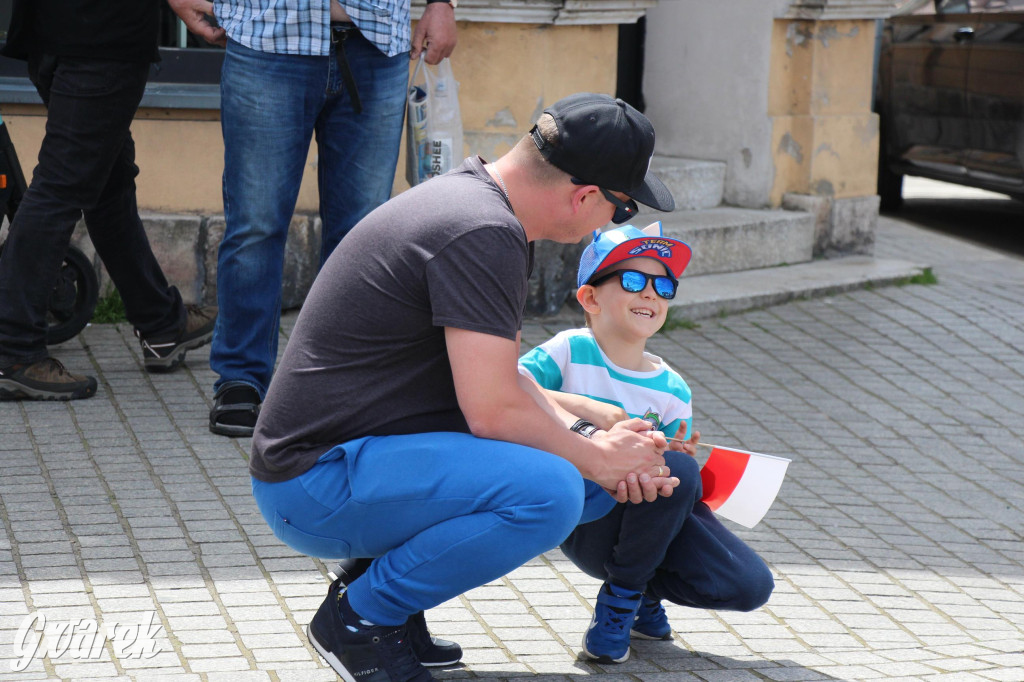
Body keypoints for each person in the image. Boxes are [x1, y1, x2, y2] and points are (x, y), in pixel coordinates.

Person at [249, 93, 680, 681]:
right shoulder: (482, 231)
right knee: (554, 490)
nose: (610, 223)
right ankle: (361, 621)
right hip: (315, 482)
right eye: (621, 209)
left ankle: (383, 599)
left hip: (350, 461)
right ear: (585, 195)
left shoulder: (477, 203)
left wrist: (589, 420)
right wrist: (596, 456)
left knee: (579, 473)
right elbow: (493, 411)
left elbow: (495, 377)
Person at [518, 222, 775, 663]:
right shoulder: (568, 350)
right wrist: (585, 408)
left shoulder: (673, 387)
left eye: (663, 285)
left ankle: (637, 592)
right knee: (678, 472)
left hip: (649, 519)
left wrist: (677, 457)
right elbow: (505, 383)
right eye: (633, 280)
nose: (651, 294)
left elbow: (675, 476)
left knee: (750, 584)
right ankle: (620, 601)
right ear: (590, 297)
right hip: (583, 516)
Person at [206, 0, 458, 437]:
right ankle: (240, 378)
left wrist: (441, 3)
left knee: (362, 236)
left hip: (376, 43)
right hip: (268, 36)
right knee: (255, 225)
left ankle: (340, 382)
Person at [0, 0, 223, 402]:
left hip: (58, 31)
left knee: (109, 186)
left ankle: (160, 323)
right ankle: (13, 349)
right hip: (100, 35)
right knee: (60, 187)